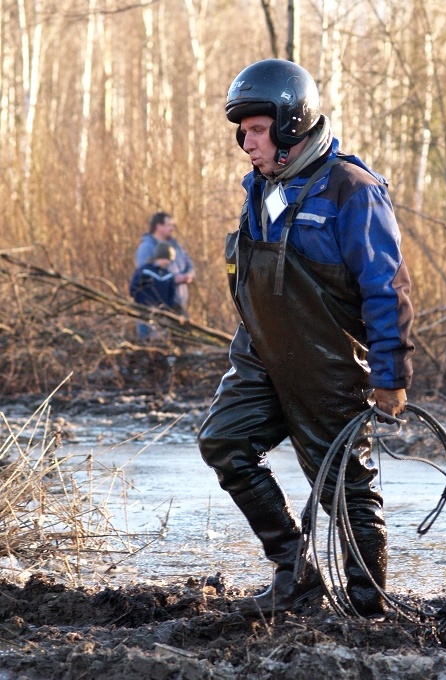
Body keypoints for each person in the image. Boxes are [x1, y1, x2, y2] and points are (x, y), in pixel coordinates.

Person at [198, 59, 414, 618]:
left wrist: (390, 376)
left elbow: (386, 289)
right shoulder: (258, 190)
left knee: (344, 485)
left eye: (257, 129)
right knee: (224, 442)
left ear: (291, 123)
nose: (246, 142)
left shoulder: (352, 190)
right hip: (260, 355)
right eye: (242, 131)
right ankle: (295, 573)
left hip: (329, 362)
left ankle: (368, 607)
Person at [135, 212, 195, 312]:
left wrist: (189, 275)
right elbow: (144, 276)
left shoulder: (176, 246)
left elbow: (189, 264)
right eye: (169, 225)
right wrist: (172, 279)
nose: (172, 228)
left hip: (178, 304)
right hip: (156, 307)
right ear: (158, 226)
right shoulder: (146, 248)